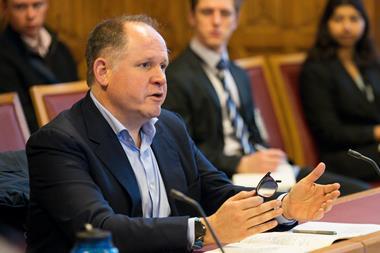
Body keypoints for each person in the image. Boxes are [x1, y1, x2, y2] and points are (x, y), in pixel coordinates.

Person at [26, 14, 341, 253]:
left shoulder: (169, 127)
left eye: (163, 66)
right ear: (102, 71)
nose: (161, 79)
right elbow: (100, 230)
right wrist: (203, 230)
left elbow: (217, 193)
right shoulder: (59, 143)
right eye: (145, 65)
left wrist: (283, 208)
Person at [163, 0, 369, 195]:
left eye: (225, 13)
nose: (216, 21)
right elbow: (181, 149)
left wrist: (273, 158)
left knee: (361, 195)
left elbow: (254, 132)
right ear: (192, 17)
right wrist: (239, 163)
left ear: (236, 20)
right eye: (207, 12)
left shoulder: (238, 73)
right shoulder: (175, 77)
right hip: (223, 179)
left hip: (267, 173)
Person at [300, 0, 380, 181]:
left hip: (373, 148)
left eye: (354, 19)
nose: (347, 26)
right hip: (343, 155)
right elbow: (329, 132)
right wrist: (375, 132)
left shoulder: (372, 63)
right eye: (339, 19)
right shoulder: (316, 69)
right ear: (326, 24)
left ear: (364, 23)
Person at [0, 0, 78, 132]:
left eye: (37, 5)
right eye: (20, 7)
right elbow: (19, 118)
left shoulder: (62, 50)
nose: (30, 15)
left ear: (48, 4)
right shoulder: (3, 55)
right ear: (4, 7)